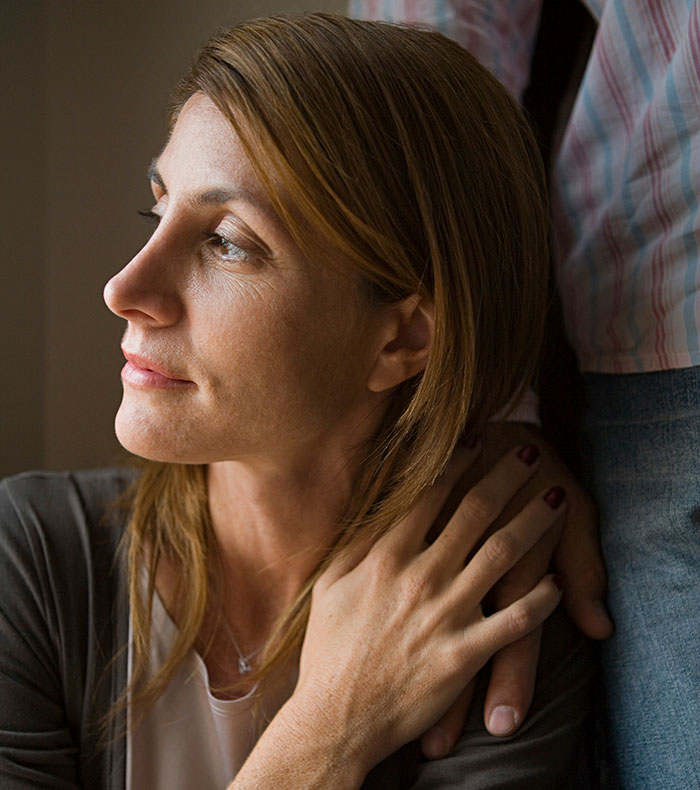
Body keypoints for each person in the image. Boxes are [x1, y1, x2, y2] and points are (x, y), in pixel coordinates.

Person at [0, 14, 598, 789]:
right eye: (157, 211)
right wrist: (330, 731)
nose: (125, 289)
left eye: (228, 242)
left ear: (403, 342)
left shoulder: (496, 616)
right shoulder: (33, 562)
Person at [351, 0, 700, 786]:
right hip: (677, 331)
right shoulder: (31, 543)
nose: (120, 288)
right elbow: (435, 51)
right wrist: (486, 410)